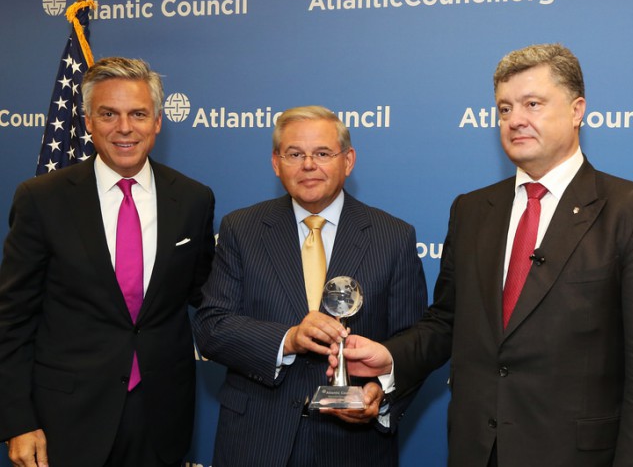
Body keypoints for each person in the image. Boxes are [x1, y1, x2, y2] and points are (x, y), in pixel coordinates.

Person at [336, 44, 633, 466]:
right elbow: (447, 322)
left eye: (532, 104)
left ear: (577, 110)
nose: (515, 119)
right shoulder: (471, 210)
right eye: (505, 108)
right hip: (477, 452)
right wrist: (392, 357)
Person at [0, 57, 215, 467]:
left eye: (138, 114)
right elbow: (11, 320)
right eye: (108, 114)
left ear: (157, 121)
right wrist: (17, 421)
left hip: (161, 418)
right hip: (66, 419)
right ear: (88, 121)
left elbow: (210, 297)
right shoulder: (42, 199)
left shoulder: (193, 199)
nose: (124, 128)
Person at [193, 106, 428, 467]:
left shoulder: (393, 236)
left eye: (322, 153)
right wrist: (288, 339)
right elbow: (212, 326)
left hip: (353, 448)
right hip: (256, 441)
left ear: (348, 161)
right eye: (294, 154)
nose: (308, 165)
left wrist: (379, 394)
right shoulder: (241, 229)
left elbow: (413, 342)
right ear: (276, 162)